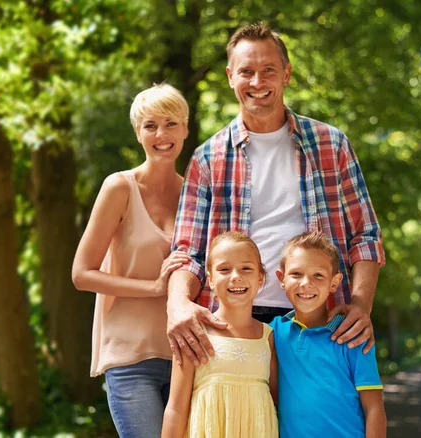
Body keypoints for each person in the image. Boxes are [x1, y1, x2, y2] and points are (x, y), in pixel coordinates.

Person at [167, 22, 385, 367]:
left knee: (313, 422)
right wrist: (177, 303)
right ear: (230, 77)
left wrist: (361, 304)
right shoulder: (207, 158)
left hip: (319, 320)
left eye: (268, 70)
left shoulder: (331, 144)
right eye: (246, 72)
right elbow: (187, 252)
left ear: (286, 73)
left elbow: (366, 235)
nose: (257, 82)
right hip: (234, 322)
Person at [71, 84, 192, 438]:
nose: (161, 134)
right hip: (130, 358)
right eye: (150, 125)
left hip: (186, 357)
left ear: (185, 128)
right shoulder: (119, 187)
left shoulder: (194, 193)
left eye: (171, 123)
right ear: (138, 133)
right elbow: (82, 274)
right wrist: (154, 287)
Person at [162, 232, 278, 438]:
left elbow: (276, 401)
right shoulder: (193, 334)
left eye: (246, 269)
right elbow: (176, 409)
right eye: (225, 269)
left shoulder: (268, 337)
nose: (236, 276)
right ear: (211, 279)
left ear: (260, 278)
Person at [271, 231, 386, 438]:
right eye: (296, 274)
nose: (306, 283)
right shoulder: (272, 333)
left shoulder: (353, 335)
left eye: (318, 275)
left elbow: (374, 408)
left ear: (334, 283)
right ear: (281, 278)